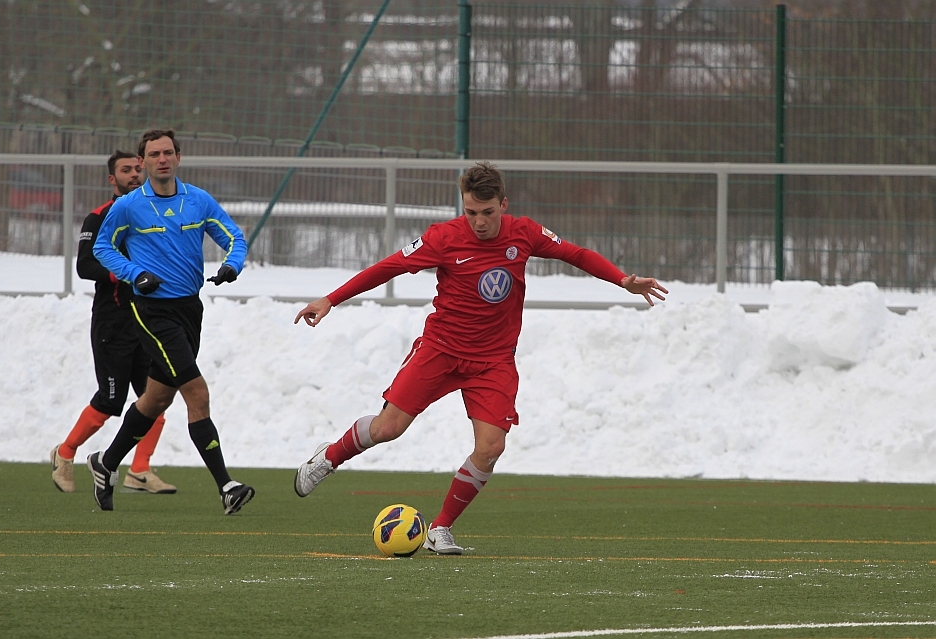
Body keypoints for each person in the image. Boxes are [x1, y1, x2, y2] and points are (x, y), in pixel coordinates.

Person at [293, 161, 668, 554]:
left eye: (487, 212)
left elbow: (576, 254)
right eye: (470, 212)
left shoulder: (524, 232)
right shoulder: (443, 238)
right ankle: (328, 457)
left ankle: (440, 528)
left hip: (493, 361)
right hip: (440, 350)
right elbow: (387, 268)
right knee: (388, 428)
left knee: (491, 448)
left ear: (503, 205)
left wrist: (621, 279)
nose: (479, 222)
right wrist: (331, 299)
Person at [88, 129, 254, 515]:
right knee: (197, 392)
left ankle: (106, 463)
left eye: (167, 153)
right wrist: (134, 273)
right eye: (153, 154)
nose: (161, 159)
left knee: (156, 399)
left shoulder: (198, 200)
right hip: (152, 312)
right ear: (143, 162)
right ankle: (227, 486)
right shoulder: (129, 206)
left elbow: (235, 237)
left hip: (190, 310)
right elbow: (102, 247)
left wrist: (232, 265)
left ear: (178, 157)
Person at [50, 151, 176, 496]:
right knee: (110, 400)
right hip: (113, 325)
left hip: (147, 321)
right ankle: (65, 452)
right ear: (112, 179)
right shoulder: (99, 217)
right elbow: (85, 267)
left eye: (137, 168)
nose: (134, 174)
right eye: (126, 170)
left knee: (157, 398)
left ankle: (140, 470)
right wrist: (129, 274)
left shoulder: (153, 213)